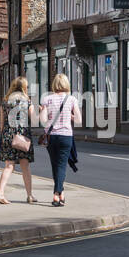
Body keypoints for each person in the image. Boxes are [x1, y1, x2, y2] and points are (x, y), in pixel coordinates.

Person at [39, 73, 82, 207]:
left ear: (54, 85)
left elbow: (43, 121)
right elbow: (79, 121)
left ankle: (59, 193)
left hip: (51, 136)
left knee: (55, 165)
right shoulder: (72, 99)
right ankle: (58, 194)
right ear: (66, 84)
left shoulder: (47, 99)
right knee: (61, 166)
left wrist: (42, 111)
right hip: (66, 136)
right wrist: (70, 116)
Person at [0, 76, 37, 205]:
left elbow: (1, 124)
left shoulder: (5, 101)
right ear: (24, 87)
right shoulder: (28, 102)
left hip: (8, 135)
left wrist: (6, 133)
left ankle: (0, 193)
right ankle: (30, 195)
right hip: (23, 136)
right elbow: (34, 121)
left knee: (8, 166)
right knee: (25, 166)